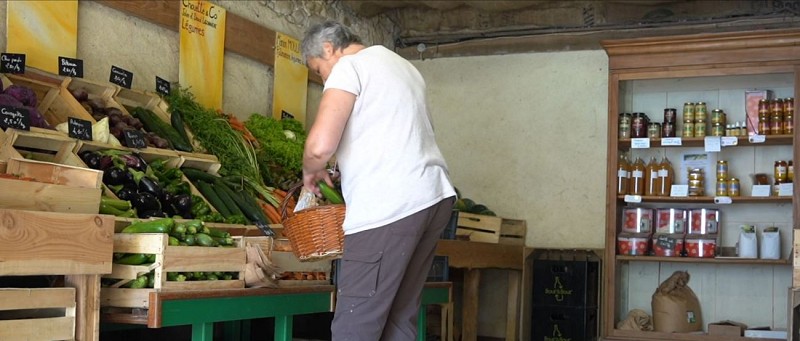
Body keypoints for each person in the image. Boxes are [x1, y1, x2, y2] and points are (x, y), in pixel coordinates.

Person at [300, 21, 457, 340]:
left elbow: (319, 145)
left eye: (319, 70)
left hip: (389, 207)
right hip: (432, 197)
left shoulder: (348, 67)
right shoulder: (402, 66)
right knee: (398, 318)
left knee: (357, 321)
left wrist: (311, 170)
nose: (324, 79)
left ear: (328, 48)